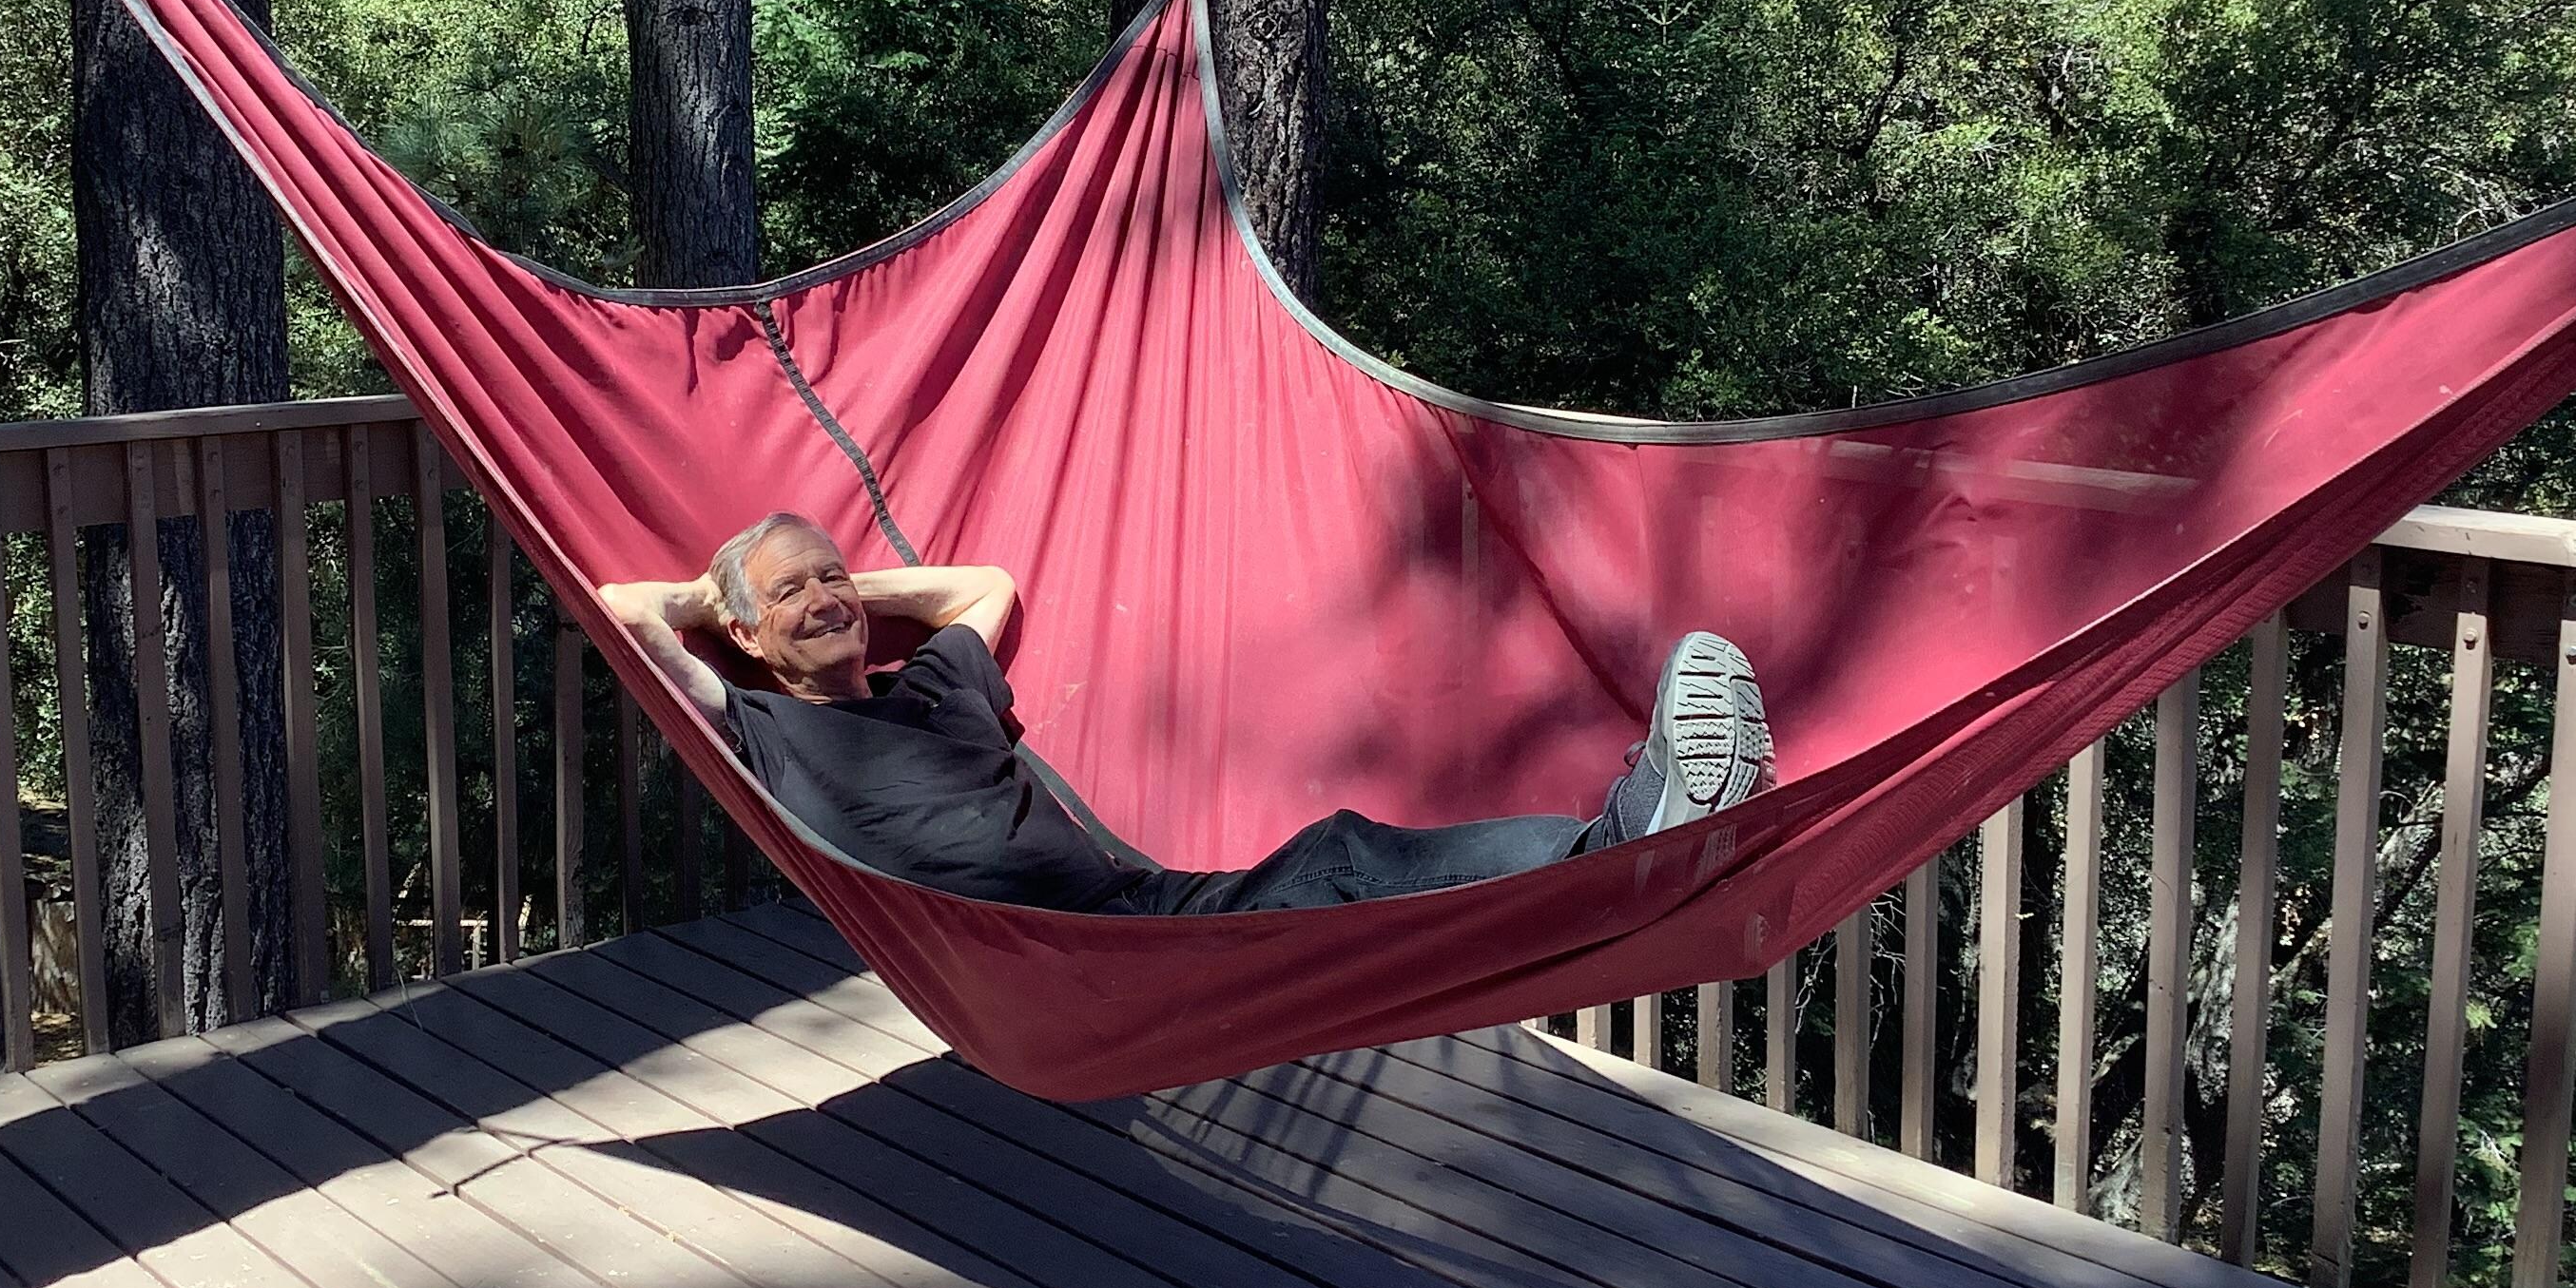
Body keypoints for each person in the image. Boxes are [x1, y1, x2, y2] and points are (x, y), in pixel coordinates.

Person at [598, 511, 1774, 917]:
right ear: (743, 633)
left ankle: (1632, 837)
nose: (828, 599)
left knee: (1338, 857)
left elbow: (985, 589)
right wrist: (727, 601)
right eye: (794, 593)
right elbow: (622, 608)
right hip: (1053, 956)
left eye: (834, 577)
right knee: (1344, 861)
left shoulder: (937, 683)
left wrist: (839, 584)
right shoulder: (754, 727)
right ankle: (1629, 841)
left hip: (1139, 907)